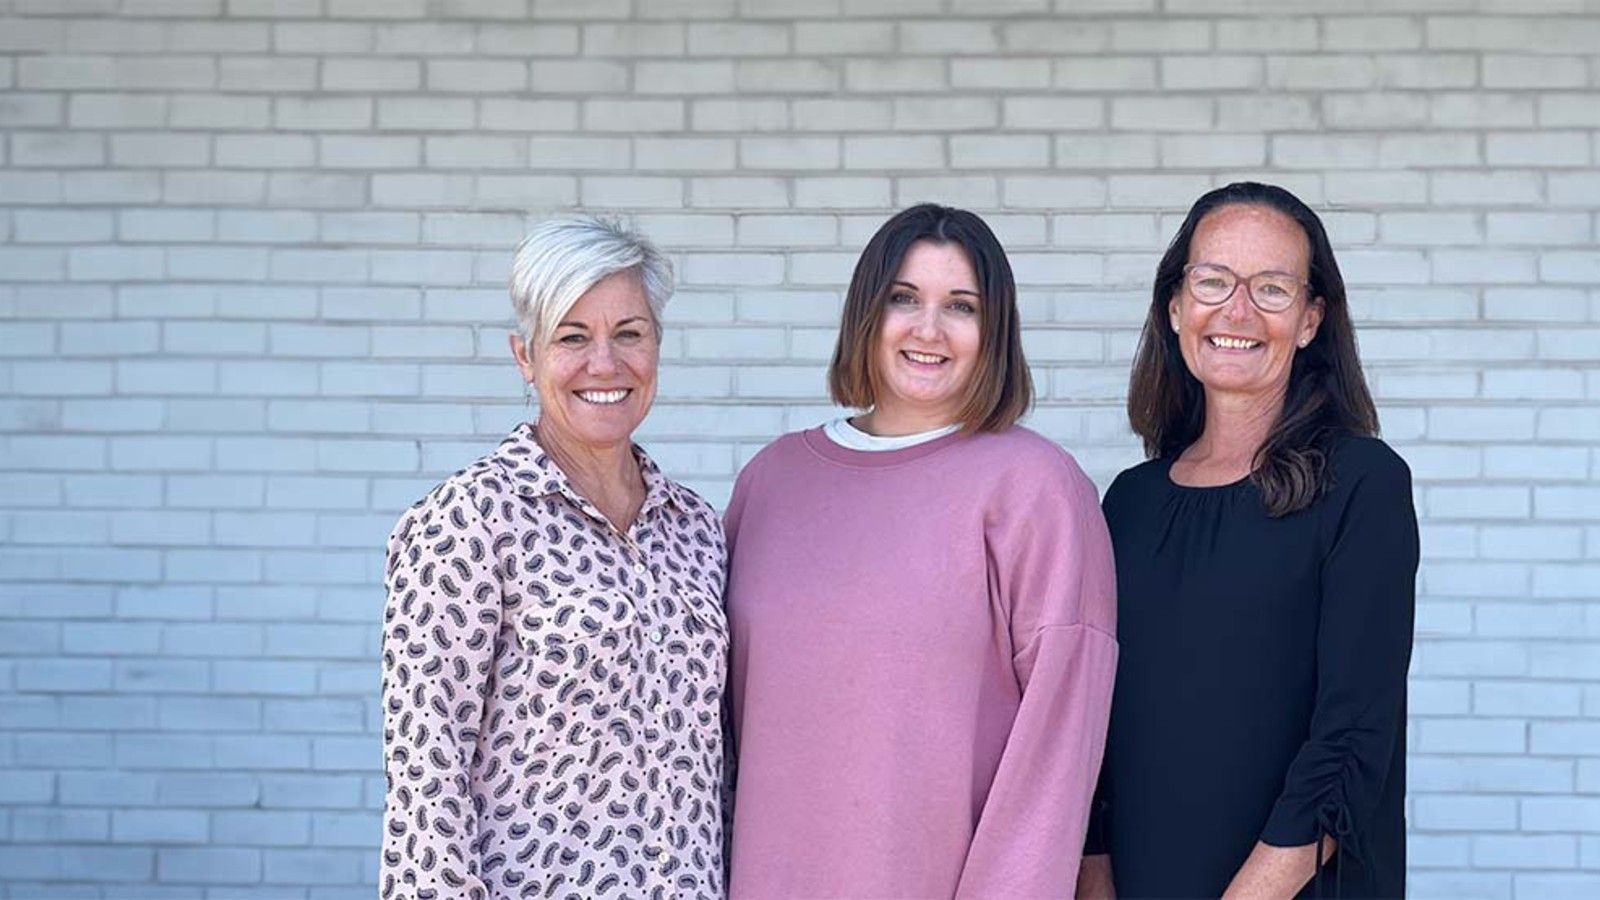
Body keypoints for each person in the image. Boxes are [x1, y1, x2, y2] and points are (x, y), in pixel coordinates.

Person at [723, 203, 1118, 898]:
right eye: (904, 298)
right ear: (865, 315)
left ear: (994, 331)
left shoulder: (1037, 490)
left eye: (961, 306)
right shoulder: (773, 482)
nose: (928, 329)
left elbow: (1056, 758)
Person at [1077, 182, 1418, 900]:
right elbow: (1093, 729)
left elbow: (1352, 738)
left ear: (1310, 319)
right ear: (1175, 306)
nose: (1236, 310)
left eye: (1271, 287)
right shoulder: (1129, 503)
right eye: (1212, 281)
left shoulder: (1362, 484)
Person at [379, 218, 729, 900]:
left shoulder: (697, 531)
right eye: (573, 337)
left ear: (657, 345)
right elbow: (425, 782)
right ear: (525, 356)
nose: (606, 363)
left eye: (629, 333)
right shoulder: (470, 522)